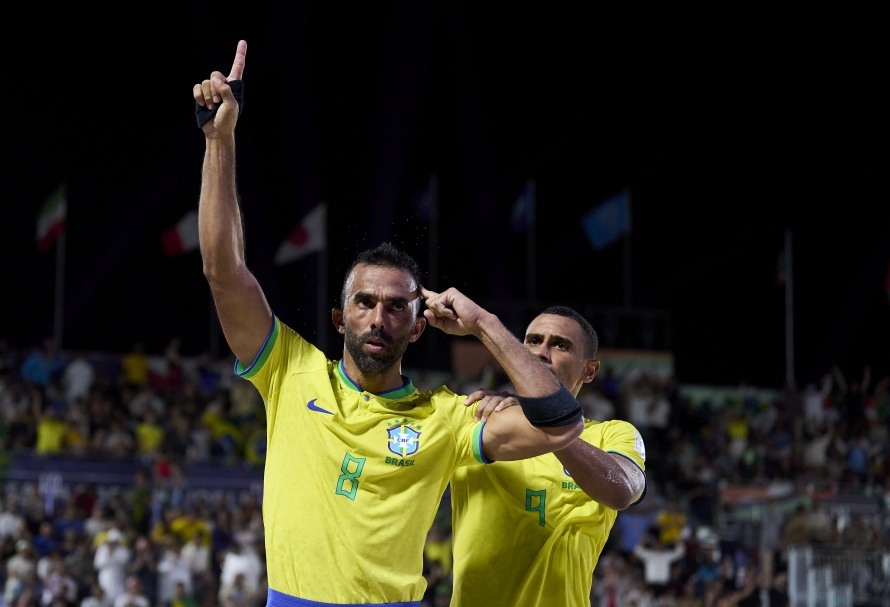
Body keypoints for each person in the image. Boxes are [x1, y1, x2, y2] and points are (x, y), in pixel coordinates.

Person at [191, 40, 584, 606]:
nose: (380, 317)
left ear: (418, 326)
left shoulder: (447, 417)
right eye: (366, 302)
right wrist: (220, 140)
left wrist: (485, 325)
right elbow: (223, 271)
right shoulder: (290, 371)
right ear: (339, 317)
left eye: (398, 306)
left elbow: (562, 425)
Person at [448, 306, 647, 607]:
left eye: (560, 345)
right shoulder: (474, 419)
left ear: (588, 370)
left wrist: (544, 423)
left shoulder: (612, 434)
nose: (541, 352)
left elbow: (623, 490)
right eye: (532, 341)